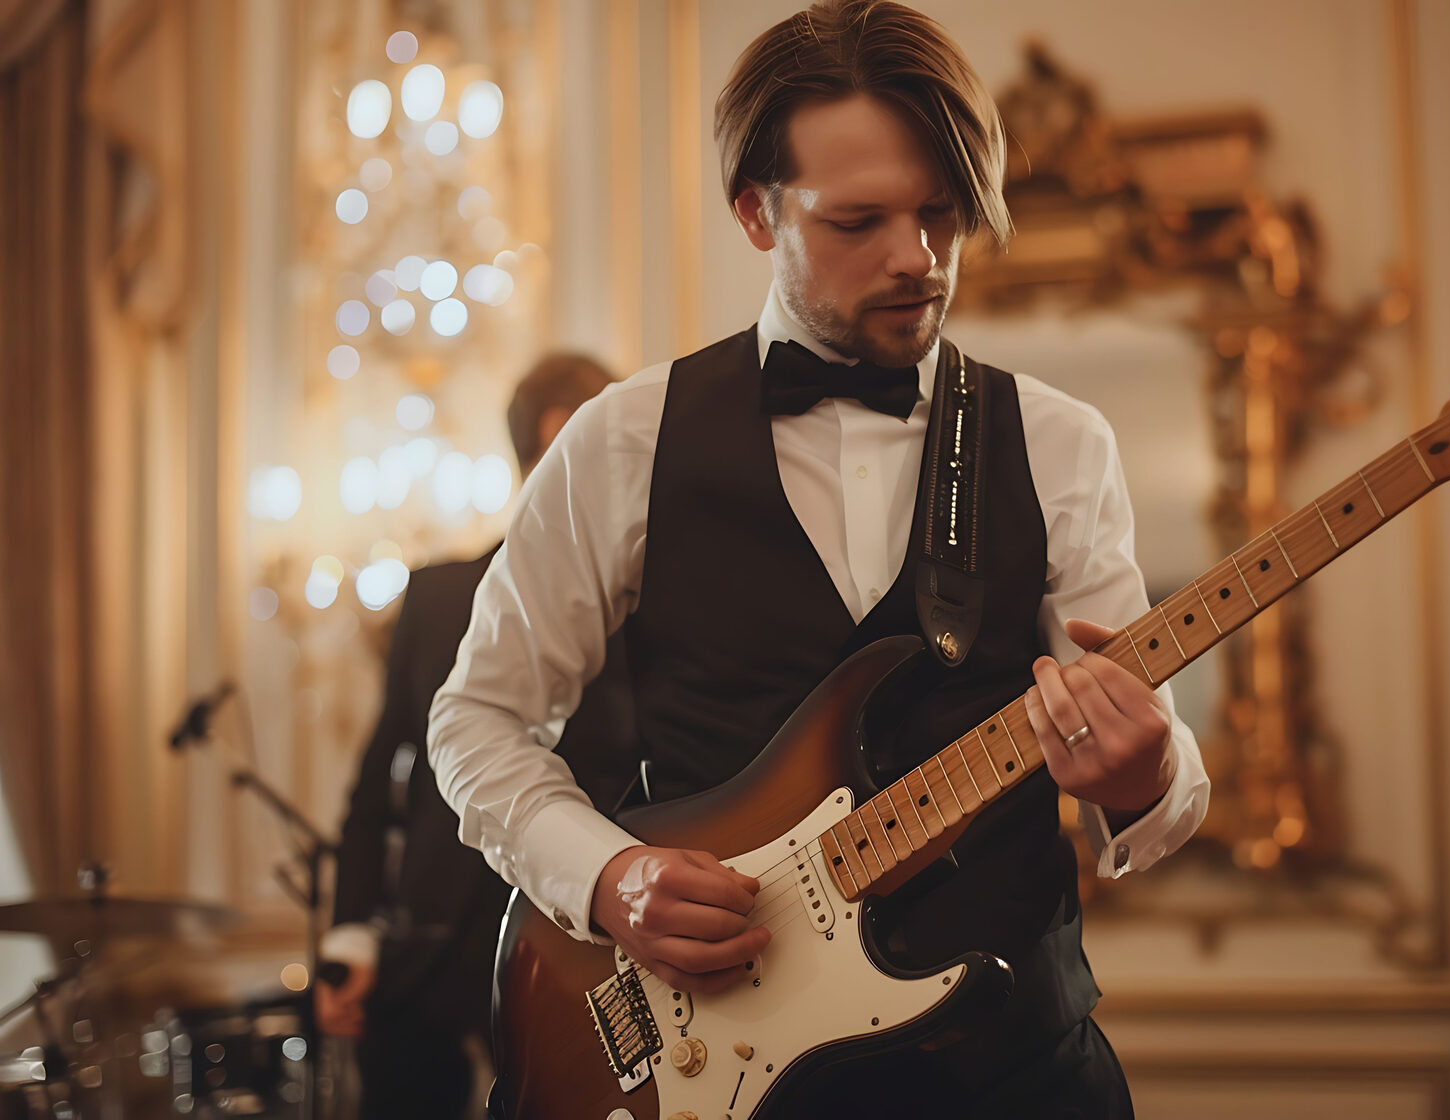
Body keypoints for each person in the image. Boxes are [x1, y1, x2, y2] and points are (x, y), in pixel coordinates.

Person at [427, 4, 1211, 1117]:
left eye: (941, 215)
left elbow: (1159, 771)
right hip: (723, 1077)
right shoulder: (620, 438)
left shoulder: (1059, 439)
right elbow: (476, 722)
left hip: (1016, 1075)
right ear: (757, 212)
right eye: (859, 222)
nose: (918, 259)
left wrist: (1141, 777)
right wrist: (610, 878)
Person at [316, 352, 630, 1119]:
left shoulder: (654, 610)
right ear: (526, 465)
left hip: (581, 949)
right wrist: (351, 932)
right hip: (431, 947)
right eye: (558, 457)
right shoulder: (437, 597)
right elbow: (376, 783)